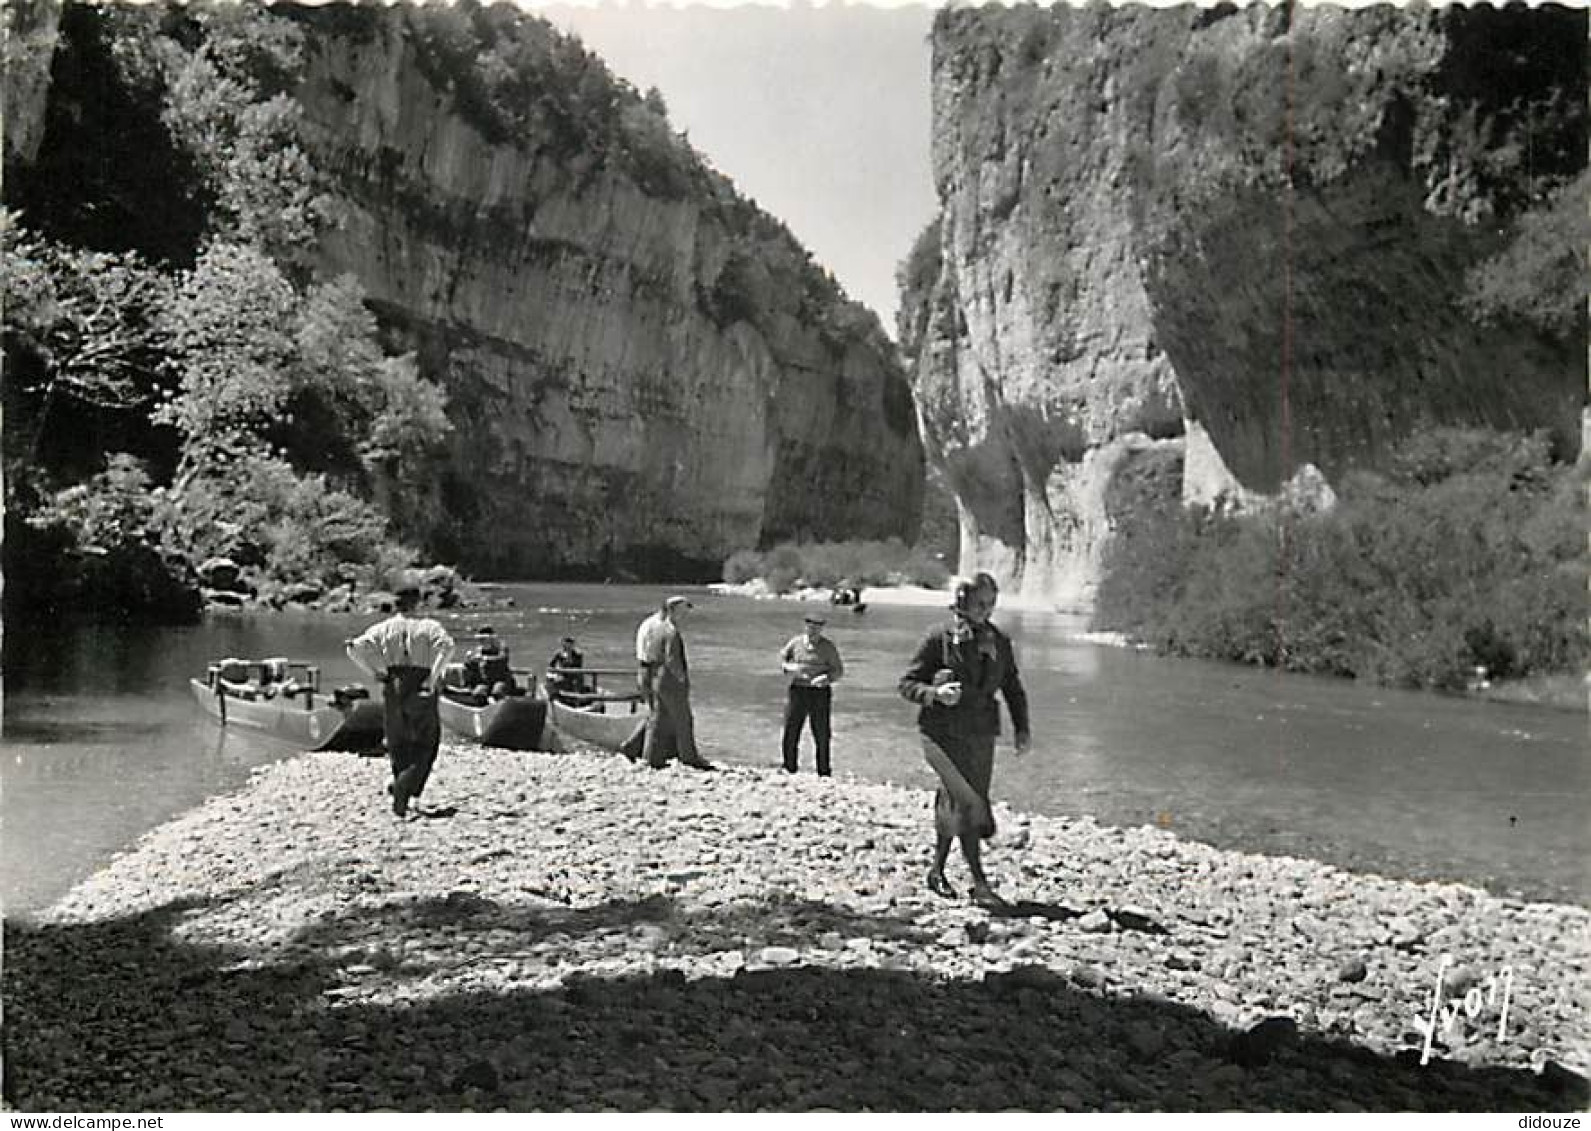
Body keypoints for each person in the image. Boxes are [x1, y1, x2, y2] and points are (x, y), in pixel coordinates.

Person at [898, 572, 1030, 906]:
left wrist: (1022, 728)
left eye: (991, 603)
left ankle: (937, 871)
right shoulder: (937, 637)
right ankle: (979, 883)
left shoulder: (999, 641)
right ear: (961, 601)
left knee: (956, 802)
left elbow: (1012, 687)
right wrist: (935, 693)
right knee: (970, 802)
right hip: (939, 734)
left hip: (981, 734)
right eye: (979, 603)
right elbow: (907, 684)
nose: (986, 610)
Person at [346, 571, 455, 818]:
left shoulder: (383, 628)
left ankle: (402, 794)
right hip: (420, 681)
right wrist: (434, 676)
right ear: (419, 603)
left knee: (397, 740)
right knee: (427, 740)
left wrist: (374, 672)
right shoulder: (428, 626)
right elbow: (447, 648)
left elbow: (353, 648)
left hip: (393, 683)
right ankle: (405, 787)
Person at [619, 595, 713, 769]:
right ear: (674, 609)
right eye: (684, 610)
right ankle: (689, 757)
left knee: (658, 719)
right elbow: (672, 660)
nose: (686, 614)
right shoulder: (671, 631)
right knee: (683, 719)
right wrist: (682, 679)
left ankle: (650, 757)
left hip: (656, 677)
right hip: (669, 680)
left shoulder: (657, 629)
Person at [779, 612, 844, 776]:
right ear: (805, 626)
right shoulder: (795, 643)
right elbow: (783, 661)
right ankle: (789, 767)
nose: (813, 630)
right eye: (810, 626)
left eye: (817, 626)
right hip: (798, 690)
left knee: (821, 733)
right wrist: (789, 668)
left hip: (819, 692)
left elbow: (838, 671)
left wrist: (826, 678)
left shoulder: (828, 647)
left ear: (822, 628)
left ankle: (823, 771)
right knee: (791, 729)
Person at [466, 625, 517, 701]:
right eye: (480, 639)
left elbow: (503, 659)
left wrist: (485, 659)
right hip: (485, 682)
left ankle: (502, 709)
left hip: (502, 680)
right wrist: (470, 661)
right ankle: (482, 709)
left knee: (497, 692)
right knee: (478, 693)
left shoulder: (501, 647)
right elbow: (473, 668)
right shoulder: (478, 650)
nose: (482, 641)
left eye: (484, 639)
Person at [546, 636, 592, 706]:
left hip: (575, 674)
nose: (568, 645)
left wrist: (570, 661)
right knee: (552, 681)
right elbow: (551, 665)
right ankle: (554, 697)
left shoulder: (578, 653)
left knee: (579, 678)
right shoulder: (559, 653)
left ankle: (578, 698)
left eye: (570, 643)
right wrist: (555, 672)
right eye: (566, 643)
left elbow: (578, 666)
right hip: (562, 674)